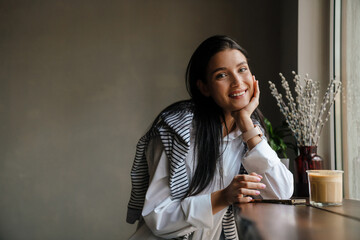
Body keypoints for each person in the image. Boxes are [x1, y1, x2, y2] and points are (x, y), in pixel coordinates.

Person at [127, 35, 293, 240]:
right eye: (222, 75)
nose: (237, 82)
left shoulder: (249, 130)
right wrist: (222, 197)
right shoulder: (176, 132)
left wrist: (246, 123)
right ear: (204, 87)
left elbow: (282, 192)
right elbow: (158, 218)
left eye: (242, 69)